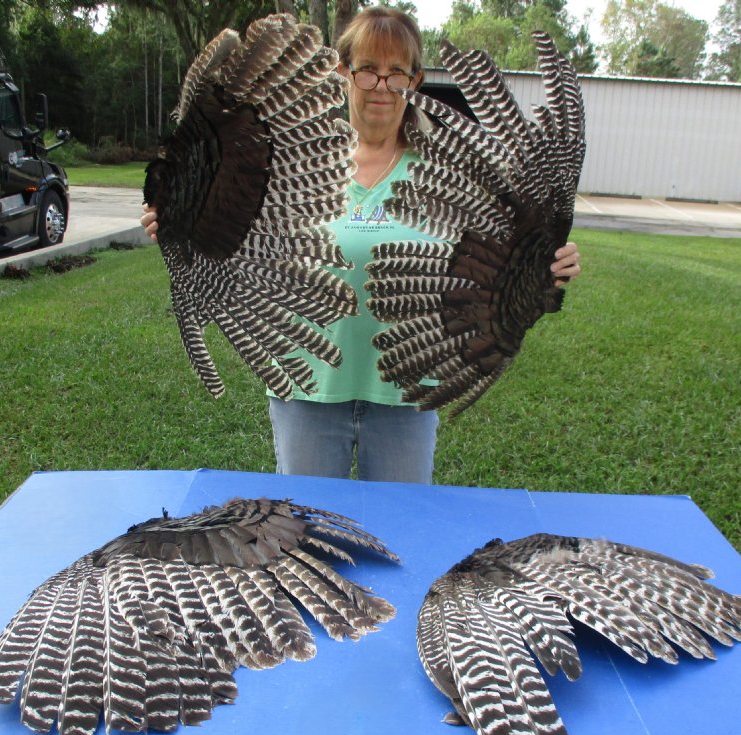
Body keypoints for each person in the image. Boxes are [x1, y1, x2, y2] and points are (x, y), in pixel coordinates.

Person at [140, 5, 581, 485]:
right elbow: (236, 239)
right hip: (308, 389)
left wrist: (546, 269)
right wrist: (176, 218)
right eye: (368, 69)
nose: (382, 86)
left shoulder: (449, 174)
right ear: (342, 72)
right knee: (307, 523)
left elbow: (497, 259)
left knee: (398, 523)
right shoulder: (292, 159)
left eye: (397, 73)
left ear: (415, 81)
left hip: (405, 392)